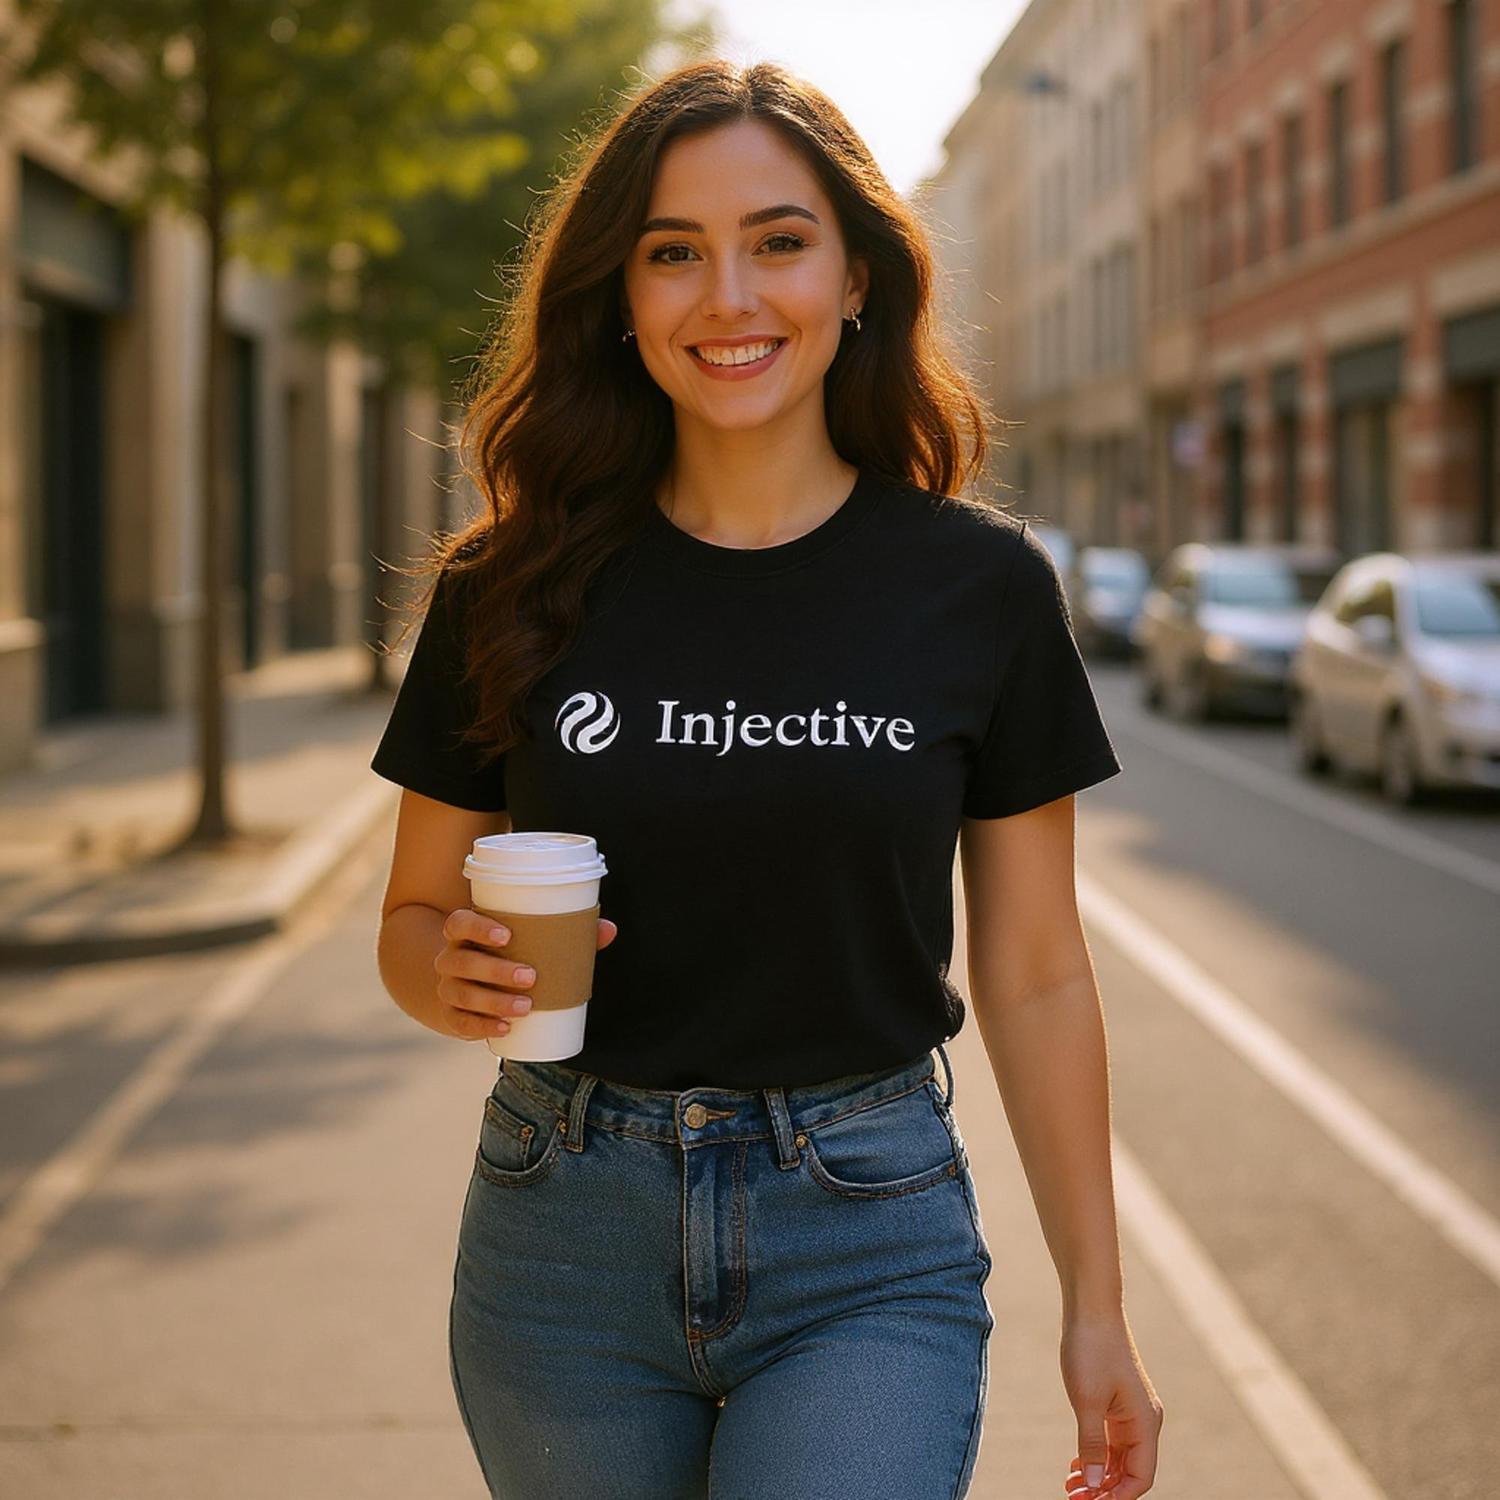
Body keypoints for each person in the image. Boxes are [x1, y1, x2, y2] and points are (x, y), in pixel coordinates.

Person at [369, 57, 1162, 1500]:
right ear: (621, 294)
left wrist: (1096, 1307)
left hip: (864, 1233)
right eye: (675, 253)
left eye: (778, 242)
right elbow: (412, 922)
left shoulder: (977, 590)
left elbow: (1040, 969)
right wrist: (453, 975)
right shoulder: (512, 582)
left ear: (857, 277)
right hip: (564, 1236)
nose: (729, 297)